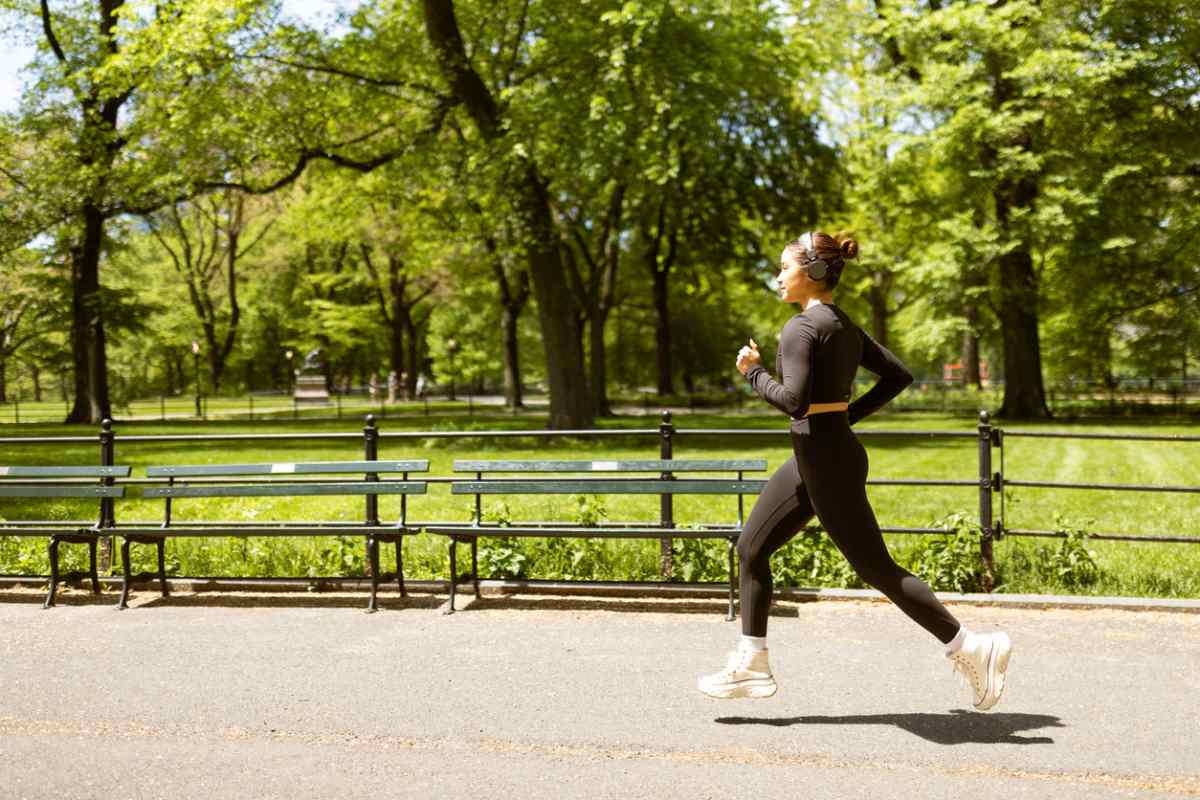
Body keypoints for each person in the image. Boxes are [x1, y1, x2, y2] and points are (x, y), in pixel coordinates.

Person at [697, 231, 1012, 712]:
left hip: (825, 459)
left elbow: (794, 401)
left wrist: (753, 373)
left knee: (875, 567)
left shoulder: (801, 328)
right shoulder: (841, 323)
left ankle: (970, 645)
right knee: (751, 547)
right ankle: (752, 663)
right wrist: (844, 417)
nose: (778, 277)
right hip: (819, 453)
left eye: (785, 268)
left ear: (815, 272)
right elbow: (898, 377)